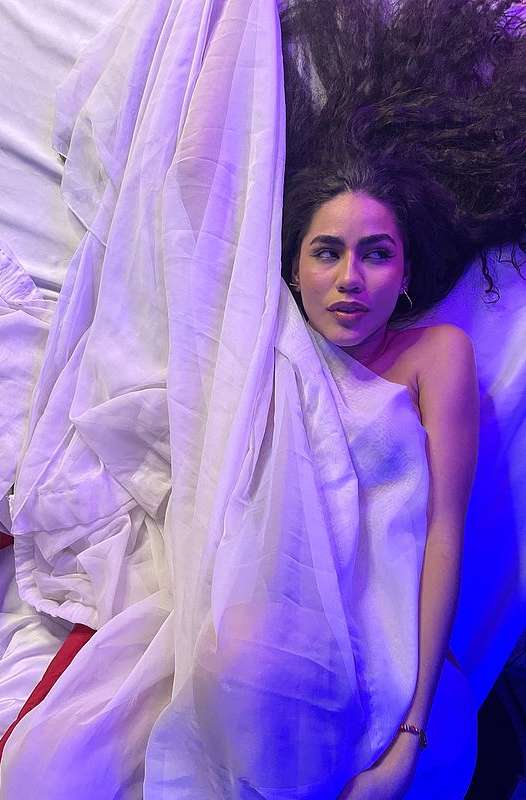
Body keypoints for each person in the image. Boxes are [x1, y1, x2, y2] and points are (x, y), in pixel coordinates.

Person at [278, 0, 526, 796]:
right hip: (282, 640)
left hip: (394, 662)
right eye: (327, 252)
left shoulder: (435, 356)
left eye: (376, 254)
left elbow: (444, 533)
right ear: (293, 272)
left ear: (407, 270)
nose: (351, 278)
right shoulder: (275, 352)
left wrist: (411, 735)